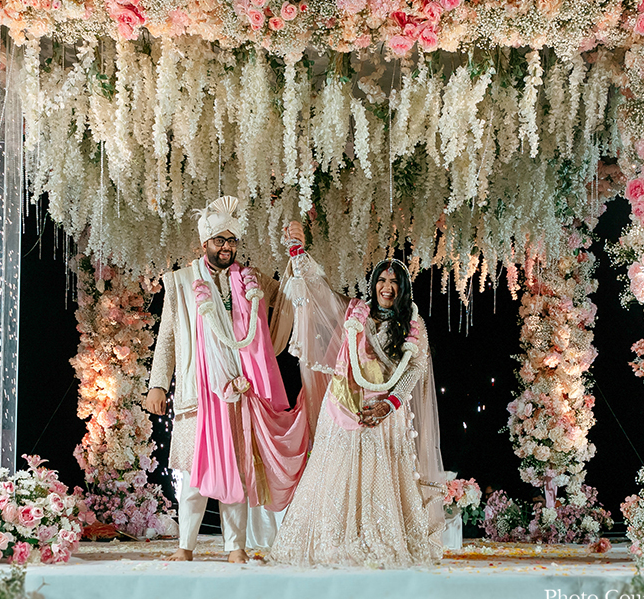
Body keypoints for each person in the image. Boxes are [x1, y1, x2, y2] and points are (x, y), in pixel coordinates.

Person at [267, 221, 445, 568]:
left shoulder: (413, 325)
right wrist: (298, 254)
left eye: (394, 282)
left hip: (384, 413)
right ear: (373, 284)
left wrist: (390, 404)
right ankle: (333, 539)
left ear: (404, 288)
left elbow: (416, 369)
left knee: (380, 480)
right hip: (346, 407)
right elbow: (318, 292)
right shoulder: (355, 314)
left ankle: (380, 537)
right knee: (336, 476)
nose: (387, 287)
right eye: (382, 280)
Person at [144, 196, 307, 563]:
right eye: (220, 241)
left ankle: (236, 547)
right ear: (205, 244)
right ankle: (185, 547)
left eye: (232, 241)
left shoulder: (252, 281)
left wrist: (294, 257)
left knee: (238, 470)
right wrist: (157, 385)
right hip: (198, 393)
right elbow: (167, 337)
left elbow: (284, 304)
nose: (227, 248)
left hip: (239, 391)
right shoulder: (181, 283)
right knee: (194, 476)